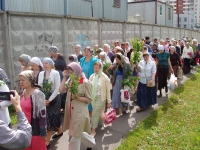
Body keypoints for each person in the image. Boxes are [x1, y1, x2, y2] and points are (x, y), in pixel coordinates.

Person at [60, 62, 92, 150]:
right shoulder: (70, 80)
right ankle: (91, 143)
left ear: (77, 70)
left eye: (71, 71)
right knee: (78, 131)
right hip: (70, 110)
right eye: (69, 71)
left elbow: (89, 99)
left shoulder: (85, 82)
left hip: (80, 112)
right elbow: (62, 90)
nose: (70, 73)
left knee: (75, 135)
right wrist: (64, 77)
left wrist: (77, 97)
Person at [19, 70, 47, 150]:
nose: (21, 82)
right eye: (20, 80)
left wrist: (43, 131)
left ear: (30, 80)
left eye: (23, 80)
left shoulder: (38, 94)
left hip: (36, 131)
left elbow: (43, 113)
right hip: (25, 130)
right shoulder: (24, 92)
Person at [38, 58, 62, 148]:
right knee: (50, 117)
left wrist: (50, 99)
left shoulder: (55, 73)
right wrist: (43, 99)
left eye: (46, 63)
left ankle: (47, 141)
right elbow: (39, 87)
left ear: (51, 64)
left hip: (54, 97)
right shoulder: (41, 74)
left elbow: (57, 88)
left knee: (52, 117)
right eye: (43, 63)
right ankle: (60, 131)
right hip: (44, 98)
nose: (44, 65)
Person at [89, 62, 111, 137]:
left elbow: (108, 90)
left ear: (100, 68)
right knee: (99, 113)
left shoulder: (105, 78)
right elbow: (89, 87)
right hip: (93, 98)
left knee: (94, 113)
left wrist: (109, 102)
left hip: (101, 98)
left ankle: (93, 131)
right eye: (94, 67)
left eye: (97, 67)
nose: (96, 69)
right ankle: (103, 120)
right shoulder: (92, 76)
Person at [80, 47, 98, 115]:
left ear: (91, 53)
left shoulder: (94, 60)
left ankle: (91, 116)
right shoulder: (82, 60)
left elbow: (97, 70)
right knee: (83, 98)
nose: (86, 53)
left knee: (90, 97)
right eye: (85, 51)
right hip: (82, 82)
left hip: (91, 81)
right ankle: (86, 115)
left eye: (88, 51)